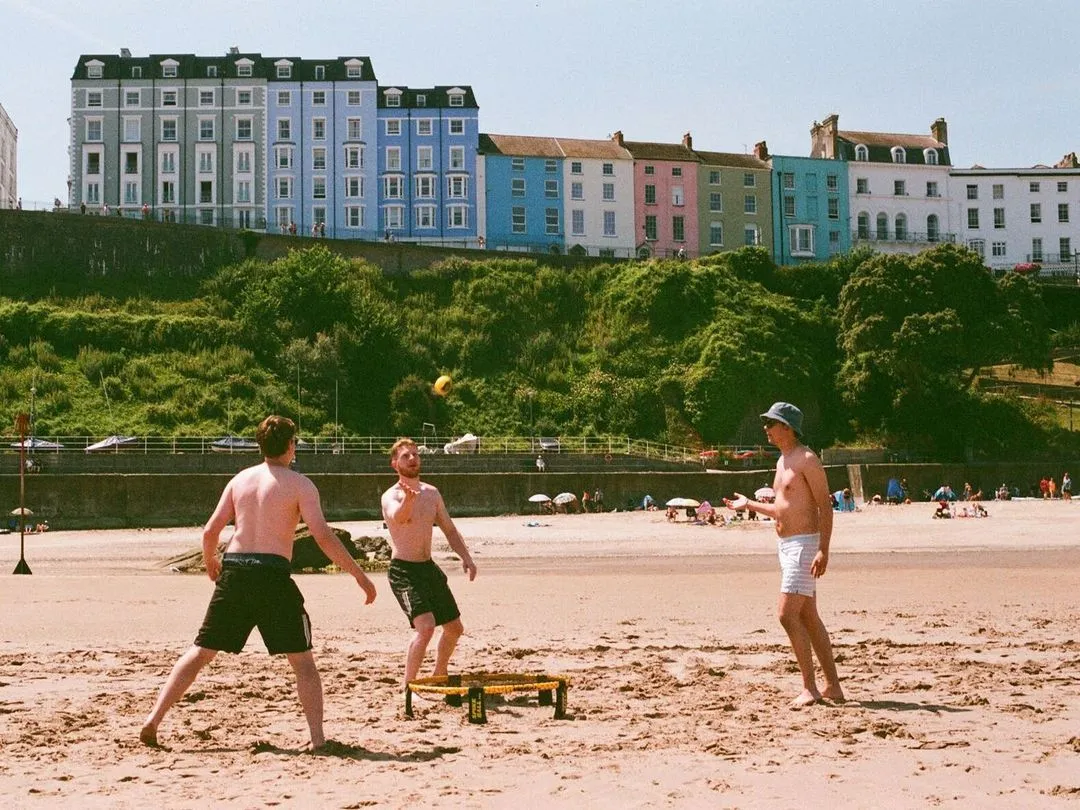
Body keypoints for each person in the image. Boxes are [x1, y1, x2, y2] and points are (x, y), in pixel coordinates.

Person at [140, 416, 376, 750]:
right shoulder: (300, 485)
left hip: (236, 570)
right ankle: (318, 739)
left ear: (260, 445)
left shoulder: (240, 480)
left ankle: (153, 719)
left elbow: (210, 531)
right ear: (291, 445)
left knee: (201, 651)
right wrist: (359, 575)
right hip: (272, 574)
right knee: (303, 661)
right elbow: (322, 536)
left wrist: (211, 562)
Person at [723, 402, 844, 708]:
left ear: (787, 428)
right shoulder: (782, 461)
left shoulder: (807, 460)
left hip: (805, 545)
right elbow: (781, 508)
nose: (765, 428)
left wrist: (823, 549)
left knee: (786, 614)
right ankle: (833, 687)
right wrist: (749, 504)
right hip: (787, 545)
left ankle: (810, 688)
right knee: (808, 616)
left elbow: (825, 507)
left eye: (771, 423)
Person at [382, 438, 477, 689]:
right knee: (425, 628)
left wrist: (466, 557)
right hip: (403, 571)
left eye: (415, 454)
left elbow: (449, 529)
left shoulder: (431, 493)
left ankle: (439, 673)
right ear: (395, 464)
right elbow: (398, 517)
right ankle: (409, 686)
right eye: (405, 456)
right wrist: (408, 500)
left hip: (427, 568)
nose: (412, 459)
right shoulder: (391, 496)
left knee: (454, 628)